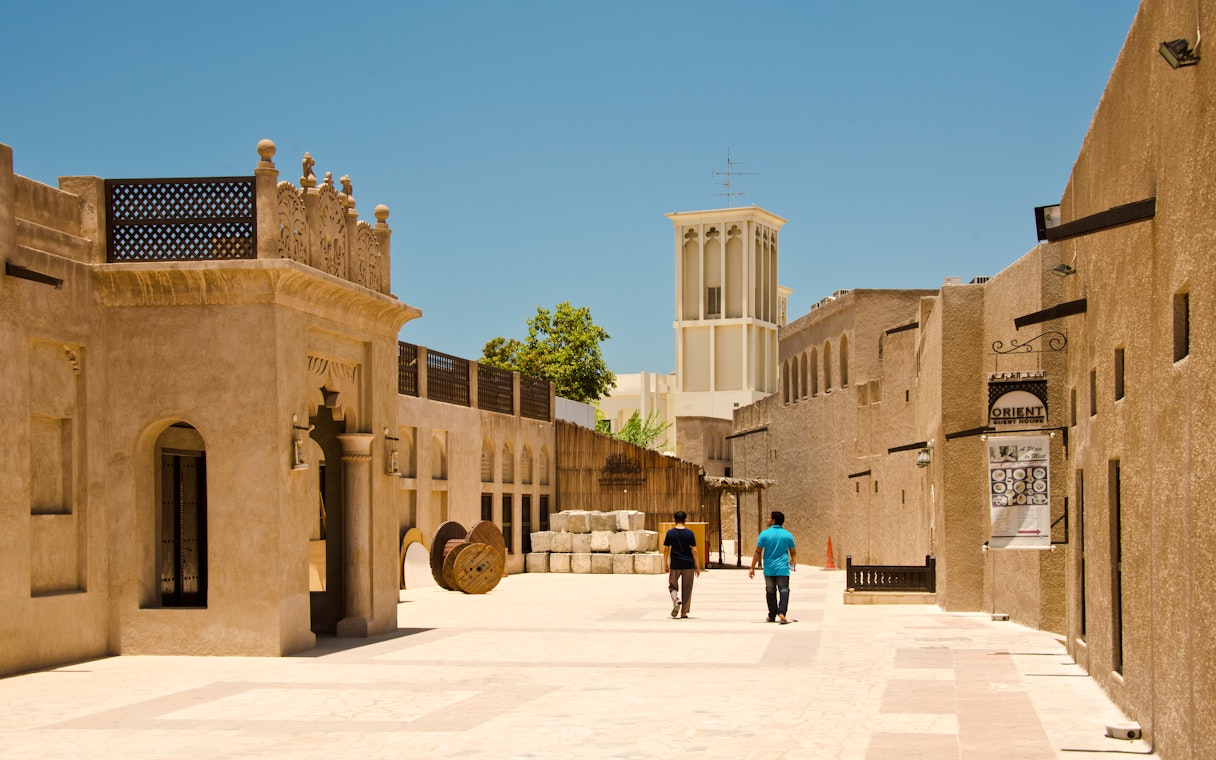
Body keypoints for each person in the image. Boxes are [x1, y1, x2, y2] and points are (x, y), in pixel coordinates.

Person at [748, 510, 797, 624]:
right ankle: (782, 613)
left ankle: (772, 615)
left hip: (769, 568)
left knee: (770, 591)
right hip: (783, 569)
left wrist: (752, 567)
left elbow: (757, 552)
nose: (768, 520)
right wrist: (793, 560)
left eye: (769, 518)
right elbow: (793, 551)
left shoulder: (764, 534)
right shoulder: (788, 535)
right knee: (784, 590)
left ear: (773, 520)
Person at [663, 511, 701, 618]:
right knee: (687, 588)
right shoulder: (690, 533)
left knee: (672, 585)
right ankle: (684, 612)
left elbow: (666, 549)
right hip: (688, 564)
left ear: (674, 519)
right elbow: (694, 550)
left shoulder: (670, 533)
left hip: (675, 564)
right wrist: (697, 566)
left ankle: (676, 601)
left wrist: (665, 563)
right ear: (686, 520)